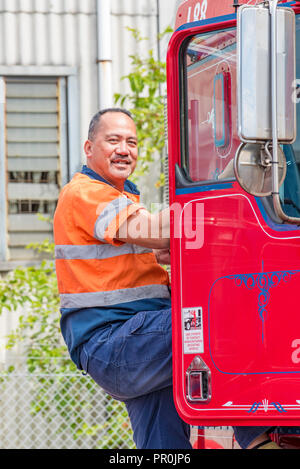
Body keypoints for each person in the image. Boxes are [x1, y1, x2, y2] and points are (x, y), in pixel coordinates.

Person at [53, 108, 281, 449]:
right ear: (89, 149)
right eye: (112, 140)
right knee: (222, 324)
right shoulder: (85, 192)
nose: (123, 149)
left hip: (140, 341)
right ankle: (260, 442)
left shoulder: (123, 198)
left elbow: (159, 248)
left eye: (131, 142)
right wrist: (227, 202)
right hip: (118, 342)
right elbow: (153, 230)